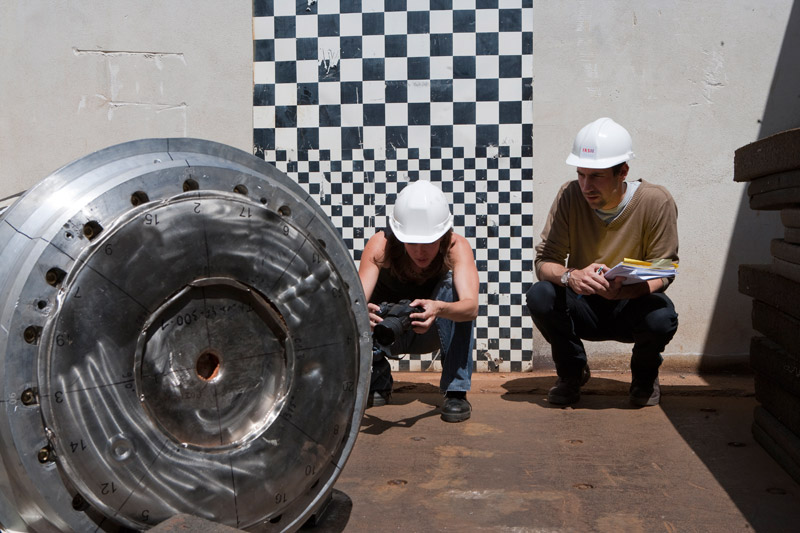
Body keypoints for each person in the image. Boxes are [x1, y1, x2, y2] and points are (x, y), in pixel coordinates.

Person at [526, 117, 679, 407]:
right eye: (581, 175)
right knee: (540, 294)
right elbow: (544, 261)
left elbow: (665, 270)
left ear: (623, 172)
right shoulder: (569, 195)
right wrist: (571, 276)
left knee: (661, 316)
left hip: (630, 303)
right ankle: (572, 373)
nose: (586, 186)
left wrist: (626, 290)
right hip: (582, 301)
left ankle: (644, 377)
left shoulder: (656, 201)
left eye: (596, 176)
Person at [359, 180, 479, 422]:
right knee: (355, 308)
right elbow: (350, 305)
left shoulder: (456, 247)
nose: (420, 252)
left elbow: (471, 307)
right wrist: (362, 315)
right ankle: (377, 372)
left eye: (429, 242)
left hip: (431, 329)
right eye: (412, 242)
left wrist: (439, 309)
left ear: (442, 236)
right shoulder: (381, 246)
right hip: (385, 333)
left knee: (453, 290)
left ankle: (456, 391)